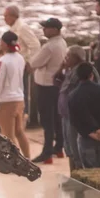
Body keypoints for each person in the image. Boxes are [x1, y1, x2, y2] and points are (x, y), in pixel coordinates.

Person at [0, 31, 30, 158]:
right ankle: (27, 158)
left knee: (8, 136)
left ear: (4, 43)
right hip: (19, 99)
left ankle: (17, 162)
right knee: (19, 132)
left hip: (6, 102)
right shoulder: (20, 58)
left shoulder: (2, 61)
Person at [55, 46, 100, 173]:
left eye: (68, 56)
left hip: (75, 116)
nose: (66, 58)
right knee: (69, 146)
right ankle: (73, 174)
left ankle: (79, 174)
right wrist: (61, 69)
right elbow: (58, 83)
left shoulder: (85, 70)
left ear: (76, 57)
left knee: (76, 147)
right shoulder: (70, 71)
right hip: (66, 114)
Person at [29, 17, 67, 164]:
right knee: (57, 118)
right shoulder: (62, 43)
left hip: (45, 86)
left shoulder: (49, 47)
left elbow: (34, 62)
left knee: (47, 121)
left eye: (47, 27)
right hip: (56, 85)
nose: (44, 30)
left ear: (55, 30)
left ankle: (47, 152)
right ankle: (59, 147)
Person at [68, 62, 100, 169]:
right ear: (92, 75)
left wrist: (90, 133)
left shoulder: (73, 95)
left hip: (86, 136)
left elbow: (74, 120)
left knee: (89, 169)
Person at [3, 5, 41, 123]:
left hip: (21, 66)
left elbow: (35, 45)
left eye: (6, 16)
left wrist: (30, 62)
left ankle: (22, 118)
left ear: (14, 16)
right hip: (14, 66)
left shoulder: (22, 28)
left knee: (19, 93)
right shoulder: (14, 28)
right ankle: (17, 117)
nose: (4, 19)